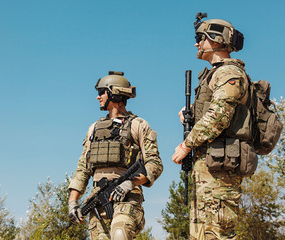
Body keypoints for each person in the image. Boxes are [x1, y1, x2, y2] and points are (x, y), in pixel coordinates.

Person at [172, 13, 252, 240]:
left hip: (219, 173)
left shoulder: (229, 72)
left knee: (216, 234)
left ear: (216, 40)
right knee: (201, 234)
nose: (196, 43)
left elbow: (219, 117)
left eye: (200, 37)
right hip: (208, 168)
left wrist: (186, 146)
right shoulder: (214, 75)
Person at [68, 71, 163, 240]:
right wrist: (73, 203)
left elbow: (154, 164)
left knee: (120, 233)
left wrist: (129, 184)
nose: (98, 97)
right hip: (98, 199)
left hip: (127, 198)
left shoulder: (138, 125)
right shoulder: (94, 129)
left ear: (114, 93)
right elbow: (83, 168)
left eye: (101, 92)